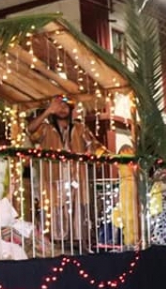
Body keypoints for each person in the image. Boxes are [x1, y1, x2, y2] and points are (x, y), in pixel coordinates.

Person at [26, 95, 107, 252]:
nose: (62, 109)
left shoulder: (80, 128)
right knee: (54, 218)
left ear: (71, 109)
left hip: (77, 181)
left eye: (65, 106)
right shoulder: (45, 129)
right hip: (53, 182)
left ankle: (79, 246)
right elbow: (30, 131)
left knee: (78, 215)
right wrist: (48, 111)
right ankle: (55, 247)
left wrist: (115, 157)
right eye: (59, 106)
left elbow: (96, 147)